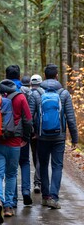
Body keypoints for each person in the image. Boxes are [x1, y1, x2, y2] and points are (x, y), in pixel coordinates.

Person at [0, 79, 32, 224]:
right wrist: (26, 137)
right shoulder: (20, 97)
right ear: (14, 87)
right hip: (14, 142)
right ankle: (8, 208)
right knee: (11, 174)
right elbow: (28, 120)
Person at [38, 63, 78, 209]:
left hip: (41, 136)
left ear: (44, 76)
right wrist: (74, 138)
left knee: (43, 165)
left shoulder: (37, 93)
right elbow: (71, 118)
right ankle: (54, 198)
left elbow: (31, 115)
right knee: (57, 166)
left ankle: (45, 196)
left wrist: (32, 134)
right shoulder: (64, 93)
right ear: (56, 76)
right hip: (59, 137)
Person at [6, 65, 32, 206]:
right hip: (21, 135)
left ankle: (13, 199)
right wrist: (27, 136)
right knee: (25, 162)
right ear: (19, 76)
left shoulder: (1, 91)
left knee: (11, 168)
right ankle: (26, 191)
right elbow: (29, 115)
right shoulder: (24, 91)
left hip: (6, 135)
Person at [29, 74, 44, 193]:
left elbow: (30, 114)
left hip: (34, 132)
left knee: (36, 155)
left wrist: (32, 131)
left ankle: (37, 182)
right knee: (41, 156)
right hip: (45, 131)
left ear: (31, 83)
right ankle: (40, 180)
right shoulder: (45, 93)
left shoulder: (30, 94)